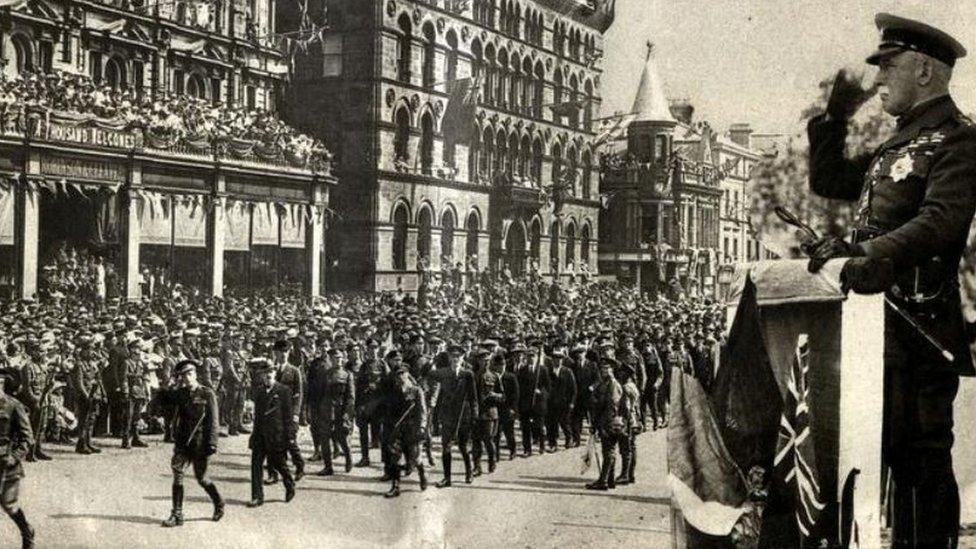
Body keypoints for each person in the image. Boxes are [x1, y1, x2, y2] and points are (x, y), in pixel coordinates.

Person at [806, 13, 975, 547]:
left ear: (924, 71)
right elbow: (829, 179)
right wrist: (834, 116)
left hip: (920, 334)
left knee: (921, 467)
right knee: (874, 459)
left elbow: (940, 221)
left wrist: (862, 251)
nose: (878, 80)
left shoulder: (958, 140)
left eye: (889, 67)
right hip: (875, 332)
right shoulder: (899, 143)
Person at [155, 360, 223, 527]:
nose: (186, 379)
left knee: (202, 479)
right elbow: (161, 402)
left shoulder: (207, 394)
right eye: (182, 376)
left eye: (188, 374)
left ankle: (219, 503)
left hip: (200, 444)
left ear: (195, 374)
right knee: (178, 474)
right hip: (183, 442)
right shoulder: (180, 393)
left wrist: (212, 443)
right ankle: (177, 514)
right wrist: (169, 385)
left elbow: (214, 421)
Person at [247, 358, 295, 507]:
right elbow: (258, 416)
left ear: (275, 373)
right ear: (261, 375)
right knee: (256, 466)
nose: (268, 375)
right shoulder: (259, 392)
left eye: (271, 371)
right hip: (260, 435)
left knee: (279, 464)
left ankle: (289, 483)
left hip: (276, 435)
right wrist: (254, 435)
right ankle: (257, 496)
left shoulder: (284, 391)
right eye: (265, 373)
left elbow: (288, 416)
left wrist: (290, 436)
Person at [429, 345, 478, 487]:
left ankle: (469, 472)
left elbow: (473, 397)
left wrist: (474, 414)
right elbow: (428, 373)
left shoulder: (467, 374)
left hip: (463, 415)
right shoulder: (443, 372)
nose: (455, 359)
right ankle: (447, 478)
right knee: (446, 447)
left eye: (458, 356)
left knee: (463, 446)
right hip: (448, 415)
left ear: (462, 358)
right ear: (449, 358)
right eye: (453, 356)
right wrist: (434, 357)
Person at [0, 368, 35, 549]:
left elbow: (27, 437)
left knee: (9, 505)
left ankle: (26, 529)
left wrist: (15, 457)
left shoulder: (13, 406)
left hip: (7, 464)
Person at [384, 365, 428, 498]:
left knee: (415, 458)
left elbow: (422, 411)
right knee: (395, 458)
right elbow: (390, 412)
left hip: (413, 429)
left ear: (408, 374)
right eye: (398, 374)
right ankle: (395, 487)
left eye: (403, 373)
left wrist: (422, 427)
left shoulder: (416, 391)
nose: (400, 376)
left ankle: (422, 473)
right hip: (398, 429)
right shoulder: (394, 392)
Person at [586, 358, 622, 491]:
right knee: (608, 451)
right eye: (602, 368)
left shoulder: (612, 384)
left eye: (607, 368)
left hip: (609, 422)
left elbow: (611, 407)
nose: (604, 371)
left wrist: (604, 426)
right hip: (603, 421)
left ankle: (603, 481)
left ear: (612, 370)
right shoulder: (603, 383)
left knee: (609, 451)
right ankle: (610, 479)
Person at [69, 336, 105, 454]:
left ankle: (88, 442)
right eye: (88, 349)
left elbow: (98, 379)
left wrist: (102, 393)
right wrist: (86, 396)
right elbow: (79, 384)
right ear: (83, 351)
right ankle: (81, 443)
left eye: (92, 349)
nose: (91, 352)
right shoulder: (79, 365)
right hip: (84, 396)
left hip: (94, 394)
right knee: (83, 420)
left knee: (91, 419)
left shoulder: (93, 364)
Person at [120, 336, 149, 449]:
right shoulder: (126, 363)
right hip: (131, 392)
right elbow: (124, 379)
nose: (138, 351)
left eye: (139, 348)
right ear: (131, 349)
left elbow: (145, 375)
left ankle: (136, 438)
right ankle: (126, 439)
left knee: (137, 416)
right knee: (128, 416)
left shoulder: (140, 363)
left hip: (139, 391)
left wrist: (146, 391)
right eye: (136, 348)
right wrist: (125, 392)